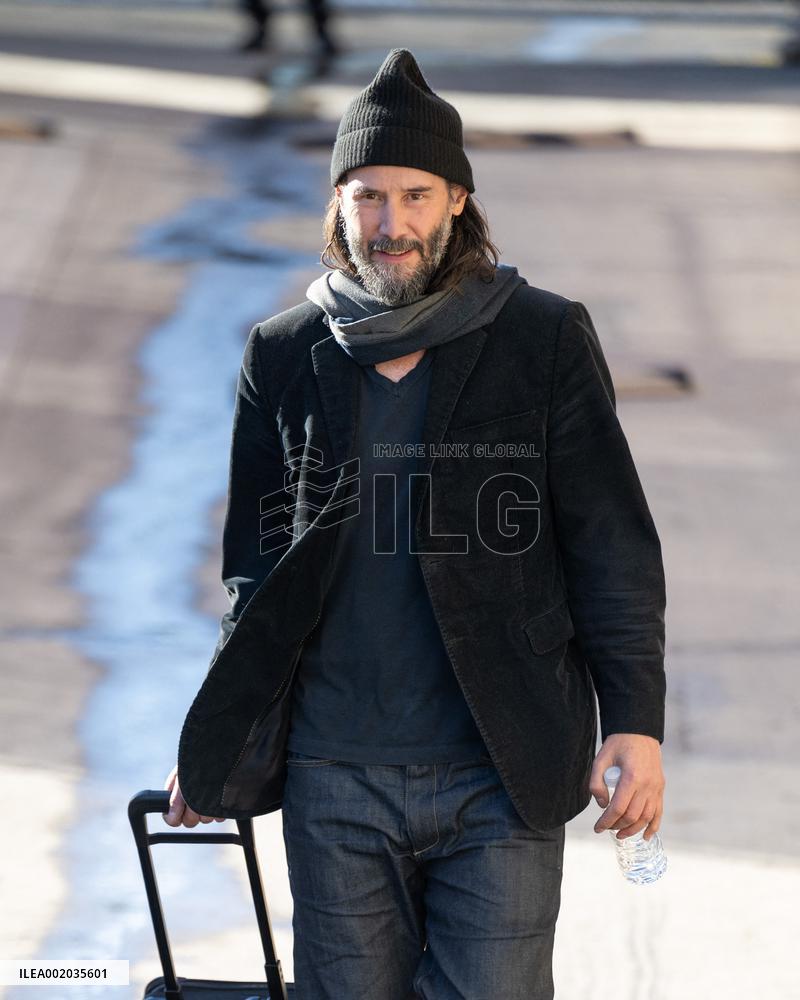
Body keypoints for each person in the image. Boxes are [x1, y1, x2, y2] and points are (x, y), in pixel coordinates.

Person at [164, 48, 667, 1000]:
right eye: (367, 197)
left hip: (501, 761)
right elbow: (257, 572)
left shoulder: (542, 338)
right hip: (335, 773)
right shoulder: (284, 353)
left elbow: (611, 545)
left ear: (459, 204)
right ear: (339, 206)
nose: (391, 226)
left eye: (417, 196)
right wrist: (219, 732)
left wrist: (635, 720)